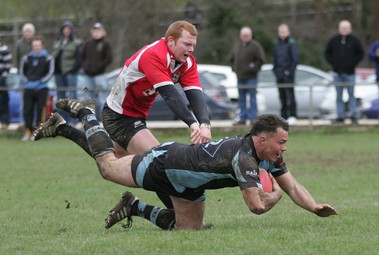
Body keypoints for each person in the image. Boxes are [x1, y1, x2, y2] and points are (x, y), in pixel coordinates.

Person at [34, 100, 337, 230]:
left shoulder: (268, 156)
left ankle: (135, 207)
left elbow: (293, 184)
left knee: (188, 229)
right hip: (167, 163)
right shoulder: (244, 156)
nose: (285, 148)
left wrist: (313, 207)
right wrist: (275, 195)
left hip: (190, 182)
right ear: (262, 139)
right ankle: (87, 115)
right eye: (281, 142)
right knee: (109, 168)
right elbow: (256, 206)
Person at [36, 21, 212, 209]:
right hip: (119, 116)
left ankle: (62, 128)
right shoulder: (153, 55)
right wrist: (193, 124)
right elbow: (170, 95)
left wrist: (205, 124)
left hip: (136, 116)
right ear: (170, 40)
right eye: (187, 44)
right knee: (159, 161)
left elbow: (195, 94)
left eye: (194, 45)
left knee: (109, 157)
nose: (191, 49)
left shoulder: (186, 62)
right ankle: (177, 214)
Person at [325, 20, 364, 124]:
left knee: (351, 95)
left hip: (350, 73)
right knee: (339, 96)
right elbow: (327, 53)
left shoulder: (355, 41)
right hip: (337, 73)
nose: (344, 30)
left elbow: (360, 54)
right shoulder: (333, 40)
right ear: (339, 28)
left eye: (346, 28)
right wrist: (334, 64)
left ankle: (353, 116)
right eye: (343, 28)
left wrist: (352, 64)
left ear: (350, 29)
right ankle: (340, 116)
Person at [19, 36, 54, 141]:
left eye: (38, 45)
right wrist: (28, 82)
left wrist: (41, 82)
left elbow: (50, 72)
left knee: (41, 110)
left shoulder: (48, 58)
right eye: (34, 45)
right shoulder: (26, 58)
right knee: (27, 111)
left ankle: (37, 132)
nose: (36, 47)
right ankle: (27, 132)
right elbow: (22, 72)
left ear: (42, 45)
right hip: (28, 88)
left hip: (42, 88)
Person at [230, 26, 266, 126]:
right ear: (240, 36)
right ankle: (242, 118)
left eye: (247, 35)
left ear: (250, 35)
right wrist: (235, 69)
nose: (245, 37)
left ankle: (253, 118)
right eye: (243, 35)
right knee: (241, 99)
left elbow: (260, 60)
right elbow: (231, 59)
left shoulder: (255, 46)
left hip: (251, 78)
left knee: (252, 98)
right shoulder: (237, 46)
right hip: (240, 77)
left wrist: (253, 69)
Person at [80, 22, 112, 121]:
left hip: (100, 75)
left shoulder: (106, 43)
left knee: (102, 98)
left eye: (98, 31)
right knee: (89, 99)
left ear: (103, 32)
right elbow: (82, 57)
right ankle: (91, 119)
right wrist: (85, 67)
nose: (96, 33)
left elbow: (109, 58)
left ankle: (104, 120)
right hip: (88, 76)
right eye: (94, 31)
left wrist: (99, 67)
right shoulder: (88, 43)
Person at [52, 21, 82, 124]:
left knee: (72, 96)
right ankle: (62, 121)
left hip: (70, 73)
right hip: (58, 73)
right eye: (65, 29)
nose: (66, 31)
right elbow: (54, 57)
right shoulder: (58, 43)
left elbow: (79, 58)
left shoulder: (76, 43)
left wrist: (74, 69)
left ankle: (73, 121)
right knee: (60, 98)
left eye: (69, 29)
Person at [273, 23, 299, 124]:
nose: (282, 33)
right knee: (282, 95)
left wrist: (289, 71)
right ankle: (284, 115)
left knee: (290, 95)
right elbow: (275, 59)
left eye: (284, 31)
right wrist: (275, 71)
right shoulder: (277, 44)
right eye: (280, 32)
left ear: (288, 32)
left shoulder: (292, 43)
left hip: (289, 74)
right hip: (279, 74)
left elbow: (295, 59)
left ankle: (292, 115)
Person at [0, 29, 12, 130]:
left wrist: (4, 75)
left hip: (0, 76)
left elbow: (8, 63)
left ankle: (4, 122)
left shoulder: (4, 49)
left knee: (3, 100)